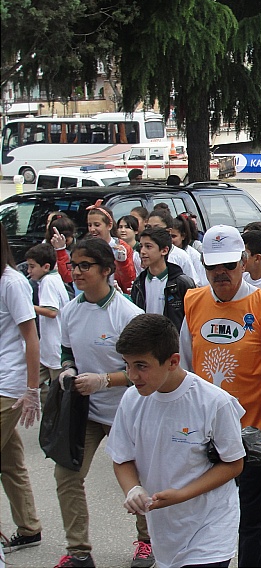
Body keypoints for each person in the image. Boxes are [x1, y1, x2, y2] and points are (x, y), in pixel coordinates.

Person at [179, 224, 261, 566]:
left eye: (228, 265)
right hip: (206, 431)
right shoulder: (193, 302)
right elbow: (183, 365)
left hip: (253, 432)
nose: (221, 274)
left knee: (250, 522)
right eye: (213, 267)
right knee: (215, 513)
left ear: (243, 262)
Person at [106, 314, 245, 568]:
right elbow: (121, 457)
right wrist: (132, 489)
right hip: (164, 532)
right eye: (127, 365)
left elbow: (234, 464)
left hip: (210, 528)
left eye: (141, 366)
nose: (132, 375)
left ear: (172, 361)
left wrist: (182, 495)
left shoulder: (214, 402)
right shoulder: (131, 400)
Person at [53, 237, 150, 568]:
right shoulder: (70, 311)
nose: (76, 272)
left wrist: (105, 380)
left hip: (130, 410)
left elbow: (145, 369)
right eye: (73, 265)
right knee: (67, 474)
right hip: (88, 412)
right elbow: (67, 352)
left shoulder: (128, 314)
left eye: (85, 265)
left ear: (107, 270)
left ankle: (147, 541)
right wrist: (68, 371)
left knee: (143, 477)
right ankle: (79, 550)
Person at [0, 224, 43, 554]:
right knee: (10, 461)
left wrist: (32, 390)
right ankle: (28, 527)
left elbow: (31, 338)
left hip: (8, 385)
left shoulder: (12, 282)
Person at [24, 243, 69, 403]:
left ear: (46, 266)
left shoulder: (49, 281)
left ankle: (53, 411)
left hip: (55, 350)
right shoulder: (53, 278)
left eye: (32, 267)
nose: (29, 271)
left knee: (58, 395)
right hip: (47, 350)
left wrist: (27, 306)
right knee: (27, 384)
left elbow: (51, 311)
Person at [129, 227, 196, 329]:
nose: (142, 251)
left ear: (164, 250)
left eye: (148, 246)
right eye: (141, 246)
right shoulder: (139, 283)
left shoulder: (181, 283)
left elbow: (192, 318)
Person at [85, 202, 137, 293]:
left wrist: (123, 263)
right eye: (90, 225)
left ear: (109, 225)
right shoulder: (85, 248)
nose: (92, 229)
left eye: (97, 225)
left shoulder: (122, 247)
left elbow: (129, 281)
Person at [144, 209, 197, 283]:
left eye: (157, 227)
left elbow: (192, 284)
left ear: (168, 231)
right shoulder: (141, 253)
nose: (151, 231)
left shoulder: (181, 256)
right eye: (149, 227)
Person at [171, 214, 206, 286]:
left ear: (183, 236)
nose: (170, 240)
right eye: (168, 236)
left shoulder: (193, 255)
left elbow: (200, 282)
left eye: (173, 236)